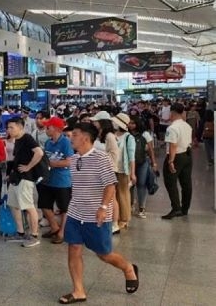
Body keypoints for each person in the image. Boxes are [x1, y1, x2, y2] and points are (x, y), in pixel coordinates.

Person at [59, 122, 138, 304]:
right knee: (74, 248)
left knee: (104, 254)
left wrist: (103, 208)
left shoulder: (101, 158)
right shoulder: (74, 158)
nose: (71, 137)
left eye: (75, 134)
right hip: (75, 212)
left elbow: (110, 185)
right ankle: (78, 291)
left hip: (96, 214)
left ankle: (128, 268)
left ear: (86, 137)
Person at [4, 117, 44, 248]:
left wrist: (29, 167)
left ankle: (34, 235)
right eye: (8, 127)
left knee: (28, 206)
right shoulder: (18, 140)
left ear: (20, 127)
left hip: (25, 178)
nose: (9, 130)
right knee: (13, 205)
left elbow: (39, 152)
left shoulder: (27, 138)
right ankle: (20, 232)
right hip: (16, 177)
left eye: (12, 127)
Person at [39, 117, 74, 244]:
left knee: (64, 208)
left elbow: (70, 161)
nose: (46, 129)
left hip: (62, 180)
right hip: (48, 179)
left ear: (55, 128)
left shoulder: (65, 142)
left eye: (48, 127)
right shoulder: (48, 142)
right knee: (44, 204)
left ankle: (62, 232)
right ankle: (54, 227)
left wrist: (52, 164)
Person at [162, 103, 193, 220]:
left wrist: (171, 161)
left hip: (176, 156)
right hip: (187, 155)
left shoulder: (172, 128)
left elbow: (173, 145)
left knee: (170, 182)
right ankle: (185, 208)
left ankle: (176, 208)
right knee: (186, 183)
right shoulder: (187, 126)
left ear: (173, 112)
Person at [128, 116, 156, 218]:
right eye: (129, 123)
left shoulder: (145, 134)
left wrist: (154, 163)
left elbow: (151, 149)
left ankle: (141, 207)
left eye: (133, 123)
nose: (131, 125)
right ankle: (130, 204)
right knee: (131, 184)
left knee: (141, 184)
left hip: (142, 162)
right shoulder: (127, 134)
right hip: (130, 162)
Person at [111, 113, 135, 230]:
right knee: (114, 194)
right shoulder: (112, 135)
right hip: (112, 168)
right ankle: (117, 217)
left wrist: (132, 173)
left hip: (123, 170)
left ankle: (124, 219)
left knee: (123, 194)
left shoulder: (128, 137)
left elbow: (132, 157)